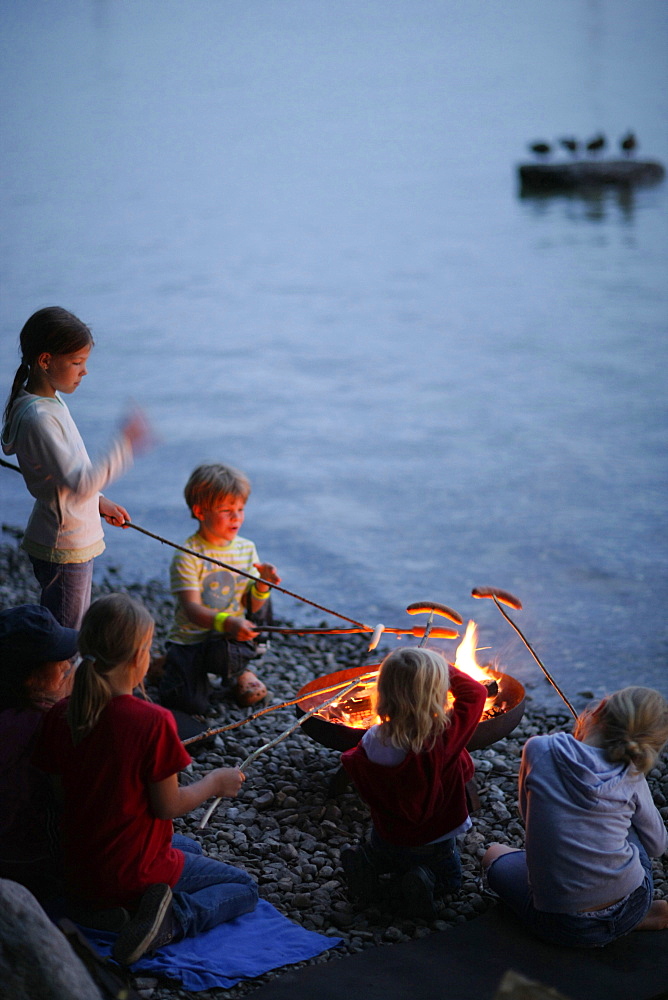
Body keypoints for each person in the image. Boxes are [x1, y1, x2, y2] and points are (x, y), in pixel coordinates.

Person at [32, 592, 259, 966]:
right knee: (243, 886)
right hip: (132, 869)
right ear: (140, 657)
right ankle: (169, 921)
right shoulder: (152, 722)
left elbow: (60, 796)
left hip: (79, 867)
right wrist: (215, 783)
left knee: (193, 849)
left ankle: (105, 910)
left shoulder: (61, 713)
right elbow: (168, 806)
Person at [482, 686, 668, 948]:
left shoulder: (538, 748)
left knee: (492, 854)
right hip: (632, 902)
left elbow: (527, 816)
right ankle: (627, 922)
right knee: (631, 822)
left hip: (561, 925)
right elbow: (657, 845)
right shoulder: (631, 774)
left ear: (600, 708)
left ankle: (600, 920)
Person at [2, 306, 151, 629]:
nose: (84, 372)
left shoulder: (46, 403)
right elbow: (79, 481)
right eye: (76, 363)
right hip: (65, 541)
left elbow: (66, 475)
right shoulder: (39, 418)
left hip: (64, 532)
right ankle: (56, 680)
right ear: (45, 361)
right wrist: (124, 445)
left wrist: (98, 501)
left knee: (65, 625)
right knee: (66, 634)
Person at [340, 647, 488, 918]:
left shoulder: (372, 738)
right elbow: (476, 694)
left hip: (387, 836)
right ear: (436, 692)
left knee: (384, 855)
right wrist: (444, 666)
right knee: (451, 881)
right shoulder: (439, 741)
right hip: (434, 843)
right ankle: (422, 879)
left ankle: (369, 866)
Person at [158, 462, 280, 715]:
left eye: (240, 509)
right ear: (200, 511)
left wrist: (262, 586)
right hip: (192, 639)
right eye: (226, 510)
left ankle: (238, 672)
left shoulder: (246, 548)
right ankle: (166, 665)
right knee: (190, 706)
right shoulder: (188, 554)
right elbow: (191, 609)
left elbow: (252, 607)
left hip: (227, 638)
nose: (236, 517)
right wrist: (228, 622)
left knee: (263, 598)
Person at [0, 604, 78, 903]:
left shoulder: (14, 708)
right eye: (57, 660)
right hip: (28, 863)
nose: (67, 664)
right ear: (29, 677)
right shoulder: (41, 724)